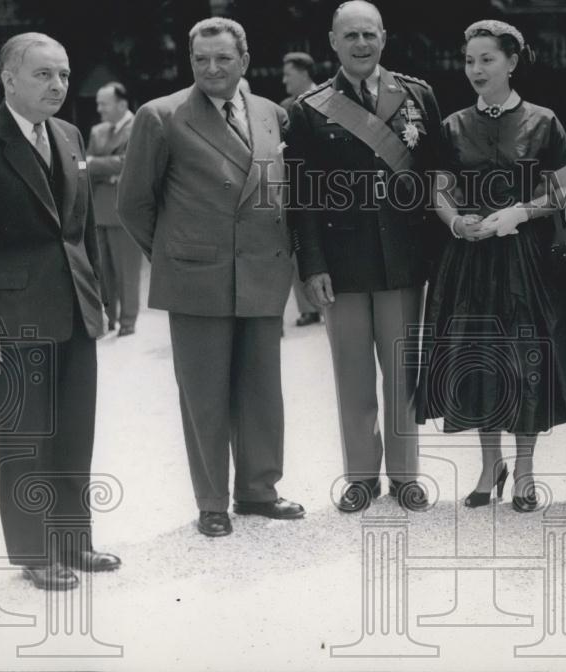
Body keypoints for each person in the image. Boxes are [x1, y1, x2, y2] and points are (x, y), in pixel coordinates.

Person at [118, 17, 304, 537]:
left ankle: (259, 490)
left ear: (244, 61)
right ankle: (212, 502)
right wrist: (177, 253)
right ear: (191, 62)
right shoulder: (162, 116)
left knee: (263, 389)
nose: (212, 68)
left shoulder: (270, 113)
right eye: (202, 59)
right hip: (197, 276)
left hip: (262, 269)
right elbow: (134, 204)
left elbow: (273, 190)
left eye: (223, 58)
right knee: (203, 394)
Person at [415, 20, 566, 512]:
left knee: (525, 361)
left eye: (487, 59)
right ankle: (491, 465)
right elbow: (440, 190)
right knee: (479, 358)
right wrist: (456, 224)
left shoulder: (544, 121)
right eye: (470, 60)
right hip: (469, 261)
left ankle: (526, 470)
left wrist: (522, 211)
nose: (476, 69)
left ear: (512, 63)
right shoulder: (451, 126)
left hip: (526, 260)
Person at [285, 0, 444, 512]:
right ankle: (360, 477)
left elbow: (437, 177)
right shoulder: (309, 107)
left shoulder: (417, 95)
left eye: (368, 35)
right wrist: (312, 263)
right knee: (351, 373)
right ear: (333, 42)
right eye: (350, 35)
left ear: (383, 37)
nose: (360, 44)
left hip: (402, 259)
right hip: (343, 262)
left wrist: (438, 257)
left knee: (402, 375)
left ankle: (405, 476)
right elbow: (301, 195)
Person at [0, 33, 120, 590]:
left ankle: (74, 542)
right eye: (43, 75)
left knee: (73, 433)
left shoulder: (69, 134)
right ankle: (34, 554)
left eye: (62, 74)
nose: (58, 85)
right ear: (8, 77)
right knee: (23, 439)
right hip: (13, 316)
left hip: (75, 309)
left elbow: (78, 232)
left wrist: (98, 298)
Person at [87, 82, 140, 337]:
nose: (98, 109)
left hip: (125, 211)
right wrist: (108, 169)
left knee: (126, 270)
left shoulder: (139, 126)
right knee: (103, 271)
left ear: (121, 104)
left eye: (103, 103)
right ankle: (110, 319)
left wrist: (97, 165)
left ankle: (128, 322)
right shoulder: (97, 131)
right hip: (100, 208)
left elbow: (128, 164)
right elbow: (86, 169)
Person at [279, 52, 321, 327]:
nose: (284, 80)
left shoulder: (330, 100)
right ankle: (308, 308)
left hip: (327, 186)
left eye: (288, 74)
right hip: (296, 184)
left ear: (304, 73)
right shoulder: (283, 108)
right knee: (296, 242)